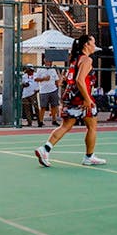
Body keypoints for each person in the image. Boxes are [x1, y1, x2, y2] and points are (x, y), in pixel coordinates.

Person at [34, 34, 105, 167]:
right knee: (92, 127)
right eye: (93, 43)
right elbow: (79, 80)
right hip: (81, 98)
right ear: (86, 45)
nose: (94, 45)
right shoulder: (86, 60)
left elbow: (68, 79)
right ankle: (89, 157)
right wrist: (87, 99)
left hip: (70, 96)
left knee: (65, 126)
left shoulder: (74, 59)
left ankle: (45, 149)